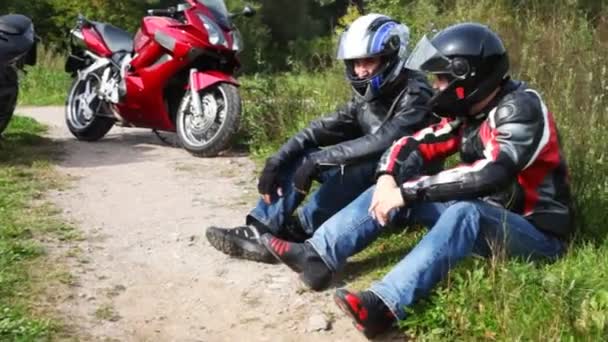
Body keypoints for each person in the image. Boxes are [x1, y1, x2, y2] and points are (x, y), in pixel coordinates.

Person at [261, 22, 574, 338]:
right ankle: (317, 255)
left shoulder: (520, 109)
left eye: (441, 78)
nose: (436, 86)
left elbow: (490, 174)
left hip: (537, 234)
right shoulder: (472, 111)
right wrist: (387, 177)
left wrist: (408, 192)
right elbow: (416, 142)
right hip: (490, 215)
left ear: (468, 76)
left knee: (464, 211)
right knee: (395, 191)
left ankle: (383, 306)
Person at [206, 13, 440, 263]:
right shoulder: (370, 98)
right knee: (302, 153)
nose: (361, 71)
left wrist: (320, 160)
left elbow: (385, 141)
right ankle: (260, 228)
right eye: (355, 62)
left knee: (362, 163)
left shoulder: (417, 94)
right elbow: (322, 127)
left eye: (368, 61)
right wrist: (278, 158)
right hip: (370, 182)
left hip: (402, 193)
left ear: (390, 57)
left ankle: (299, 231)